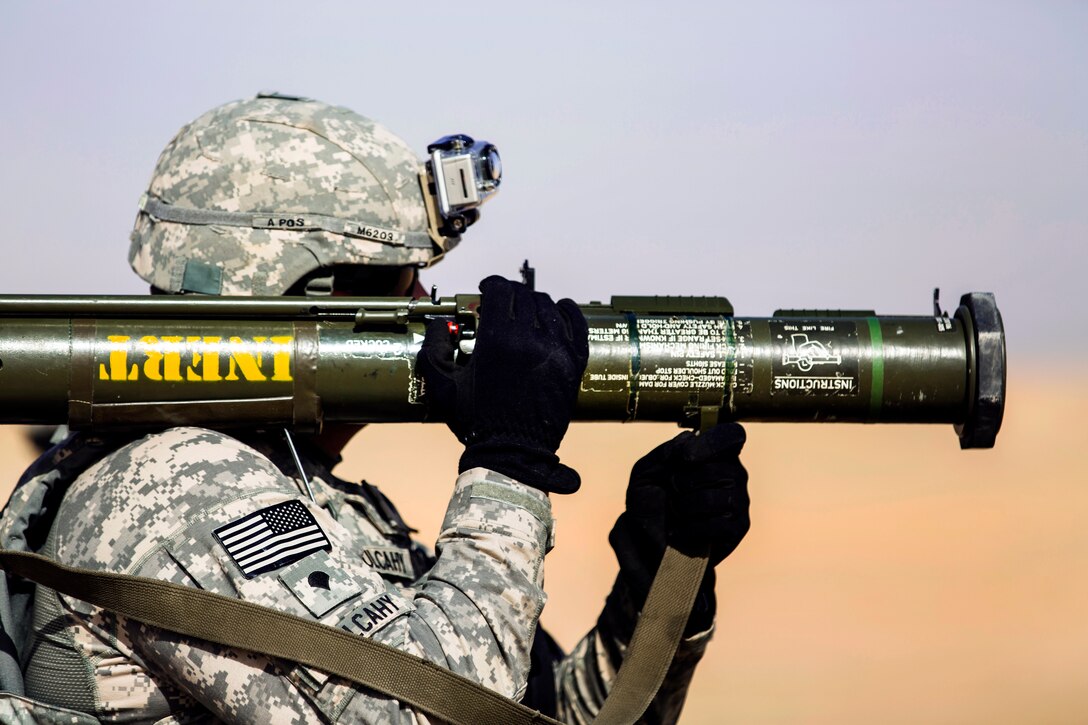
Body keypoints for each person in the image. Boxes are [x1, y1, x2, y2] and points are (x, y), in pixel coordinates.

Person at [0, 93, 750, 723]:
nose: (426, 307)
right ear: (316, 298)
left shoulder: (305, 488)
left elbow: (543, 713)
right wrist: (507, 468)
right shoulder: (179, 482)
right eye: (403, 281)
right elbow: (439, 711)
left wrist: (656, 585)